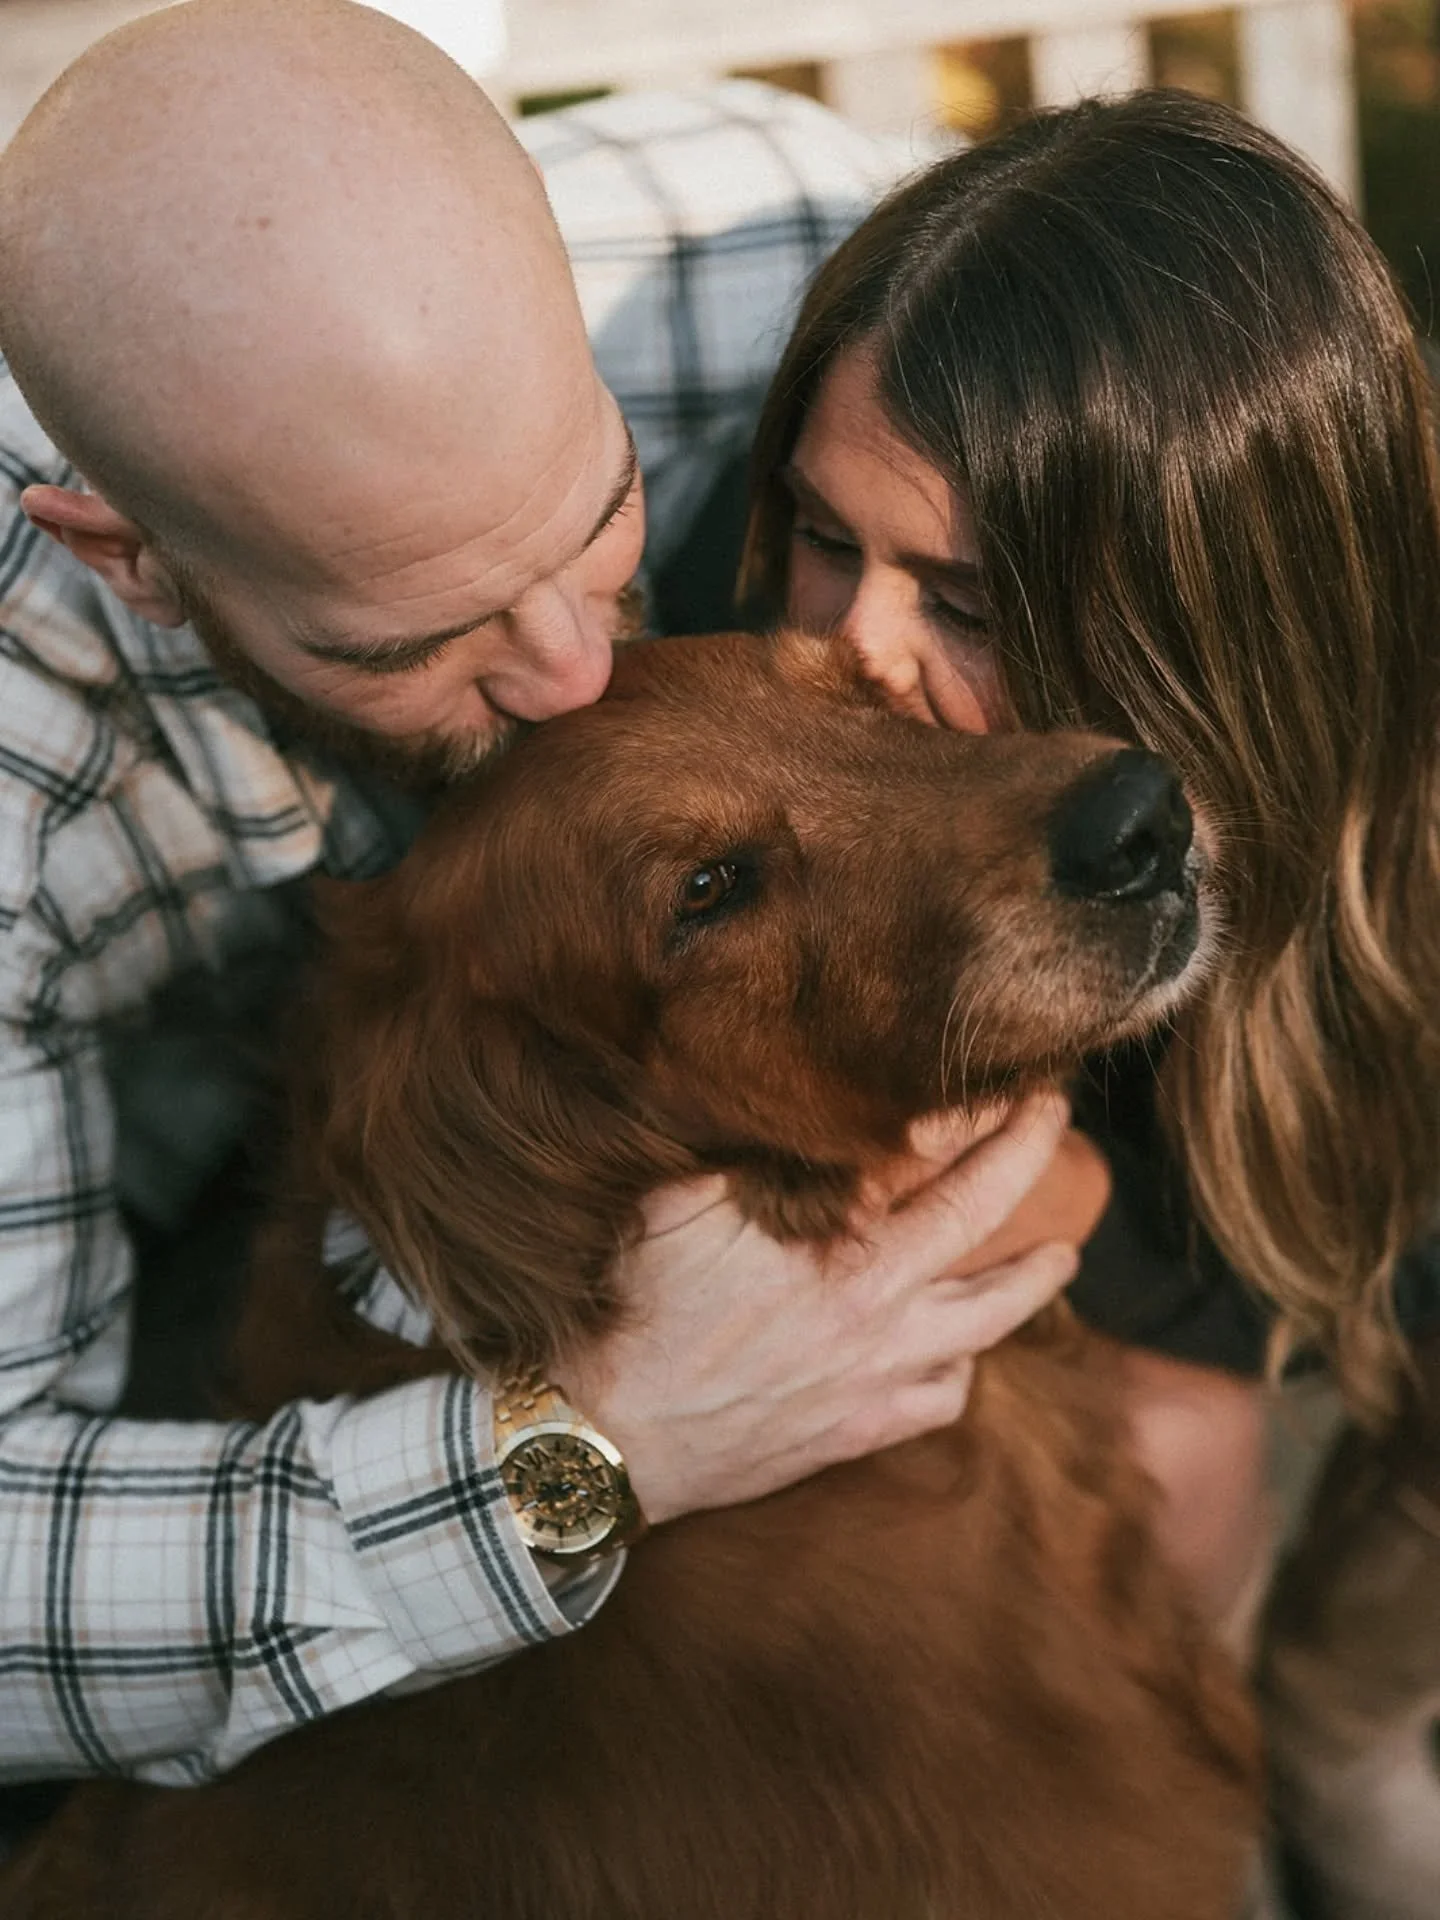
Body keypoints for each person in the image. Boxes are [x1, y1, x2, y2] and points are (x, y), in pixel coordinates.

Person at [0, 1, 1084, 1784]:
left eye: (600, 512)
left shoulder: (762, 241)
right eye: (417, 638)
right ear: (135, 556)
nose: (581, 674)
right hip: (180, 1237)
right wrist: (595, 1445)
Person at [740, 86, 1440, 1638]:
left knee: (1334, 1713)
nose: (855, 648)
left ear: (1211, 646)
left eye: (969, 606)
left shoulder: (1380, 875)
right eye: (825, 535)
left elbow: (1232, 1321)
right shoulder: (753, 677)